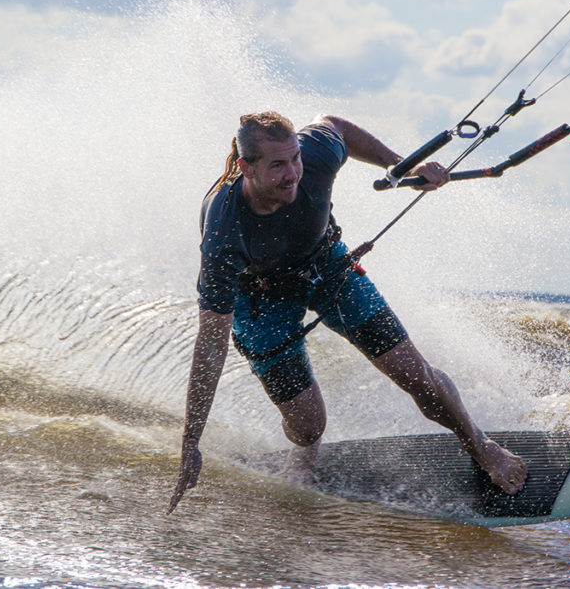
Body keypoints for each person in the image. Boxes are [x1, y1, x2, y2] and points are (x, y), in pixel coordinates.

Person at [167, 111, 527, 514]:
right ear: (244, 166)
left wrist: (399, 165)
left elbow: (335, 124)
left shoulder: (315, 155)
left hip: (330, 270)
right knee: (307, 426)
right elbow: (211, 346)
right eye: (278, 165)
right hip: (261, 302)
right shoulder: (223, 231)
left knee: (416, 376)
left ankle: (480, 445)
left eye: (295, 159)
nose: (293, 174)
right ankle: (303, 451)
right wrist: (191, 443)